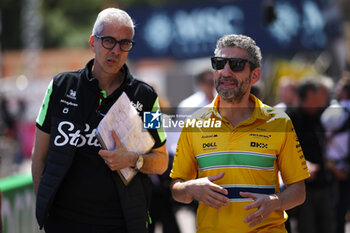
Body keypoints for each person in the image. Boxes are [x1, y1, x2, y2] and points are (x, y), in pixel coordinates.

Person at [31, 8, 168, 233]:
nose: (116, 50)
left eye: (125, 43)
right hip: (63, 222)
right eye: (109, 41)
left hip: (121, 223)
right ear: (93, 42)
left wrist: (134, 159)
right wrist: (44, 209)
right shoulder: (60, 86)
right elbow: (39, 156)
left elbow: (161, 161)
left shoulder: (146, 96)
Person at [170, 34, 310, 233]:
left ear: (255, 75)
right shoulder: (194, 123)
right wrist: (190, 188)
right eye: (219, 63)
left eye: (236, 65)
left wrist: (275, 201)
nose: (225, 72)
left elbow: (299, 191)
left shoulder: (279, 123)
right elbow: (177, 189)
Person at [286, 76, 335, 233]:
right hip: (302, 188)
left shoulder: (321, 116)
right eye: (323, 93)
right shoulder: (289, 117)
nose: (327, 96)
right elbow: (284, 151)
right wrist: (303, 165)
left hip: (325, 184)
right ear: (309, 93)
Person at [321, 72, 350, 233]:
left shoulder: (335, 110)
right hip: (346, 165)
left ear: (344, 91)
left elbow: (321, 132)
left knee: (334, 211)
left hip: (335, 168)